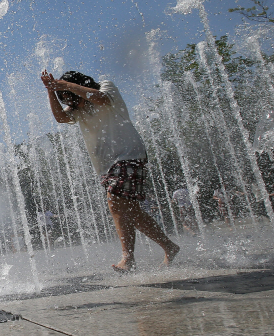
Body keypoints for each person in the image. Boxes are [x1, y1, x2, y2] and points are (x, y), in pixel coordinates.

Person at [41, 70, 179, 272]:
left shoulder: (106, 88)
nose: (73, 104)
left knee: (114, 202)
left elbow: (101, 99)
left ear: (78, 87)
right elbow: (61, 118)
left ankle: (128, 258)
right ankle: (169, 246)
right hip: (106, 166)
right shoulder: (79, 109)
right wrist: (51, 91)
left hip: (129, 155)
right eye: (67, 100)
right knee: (129, 211)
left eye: (72, 98)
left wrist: (65, 85)